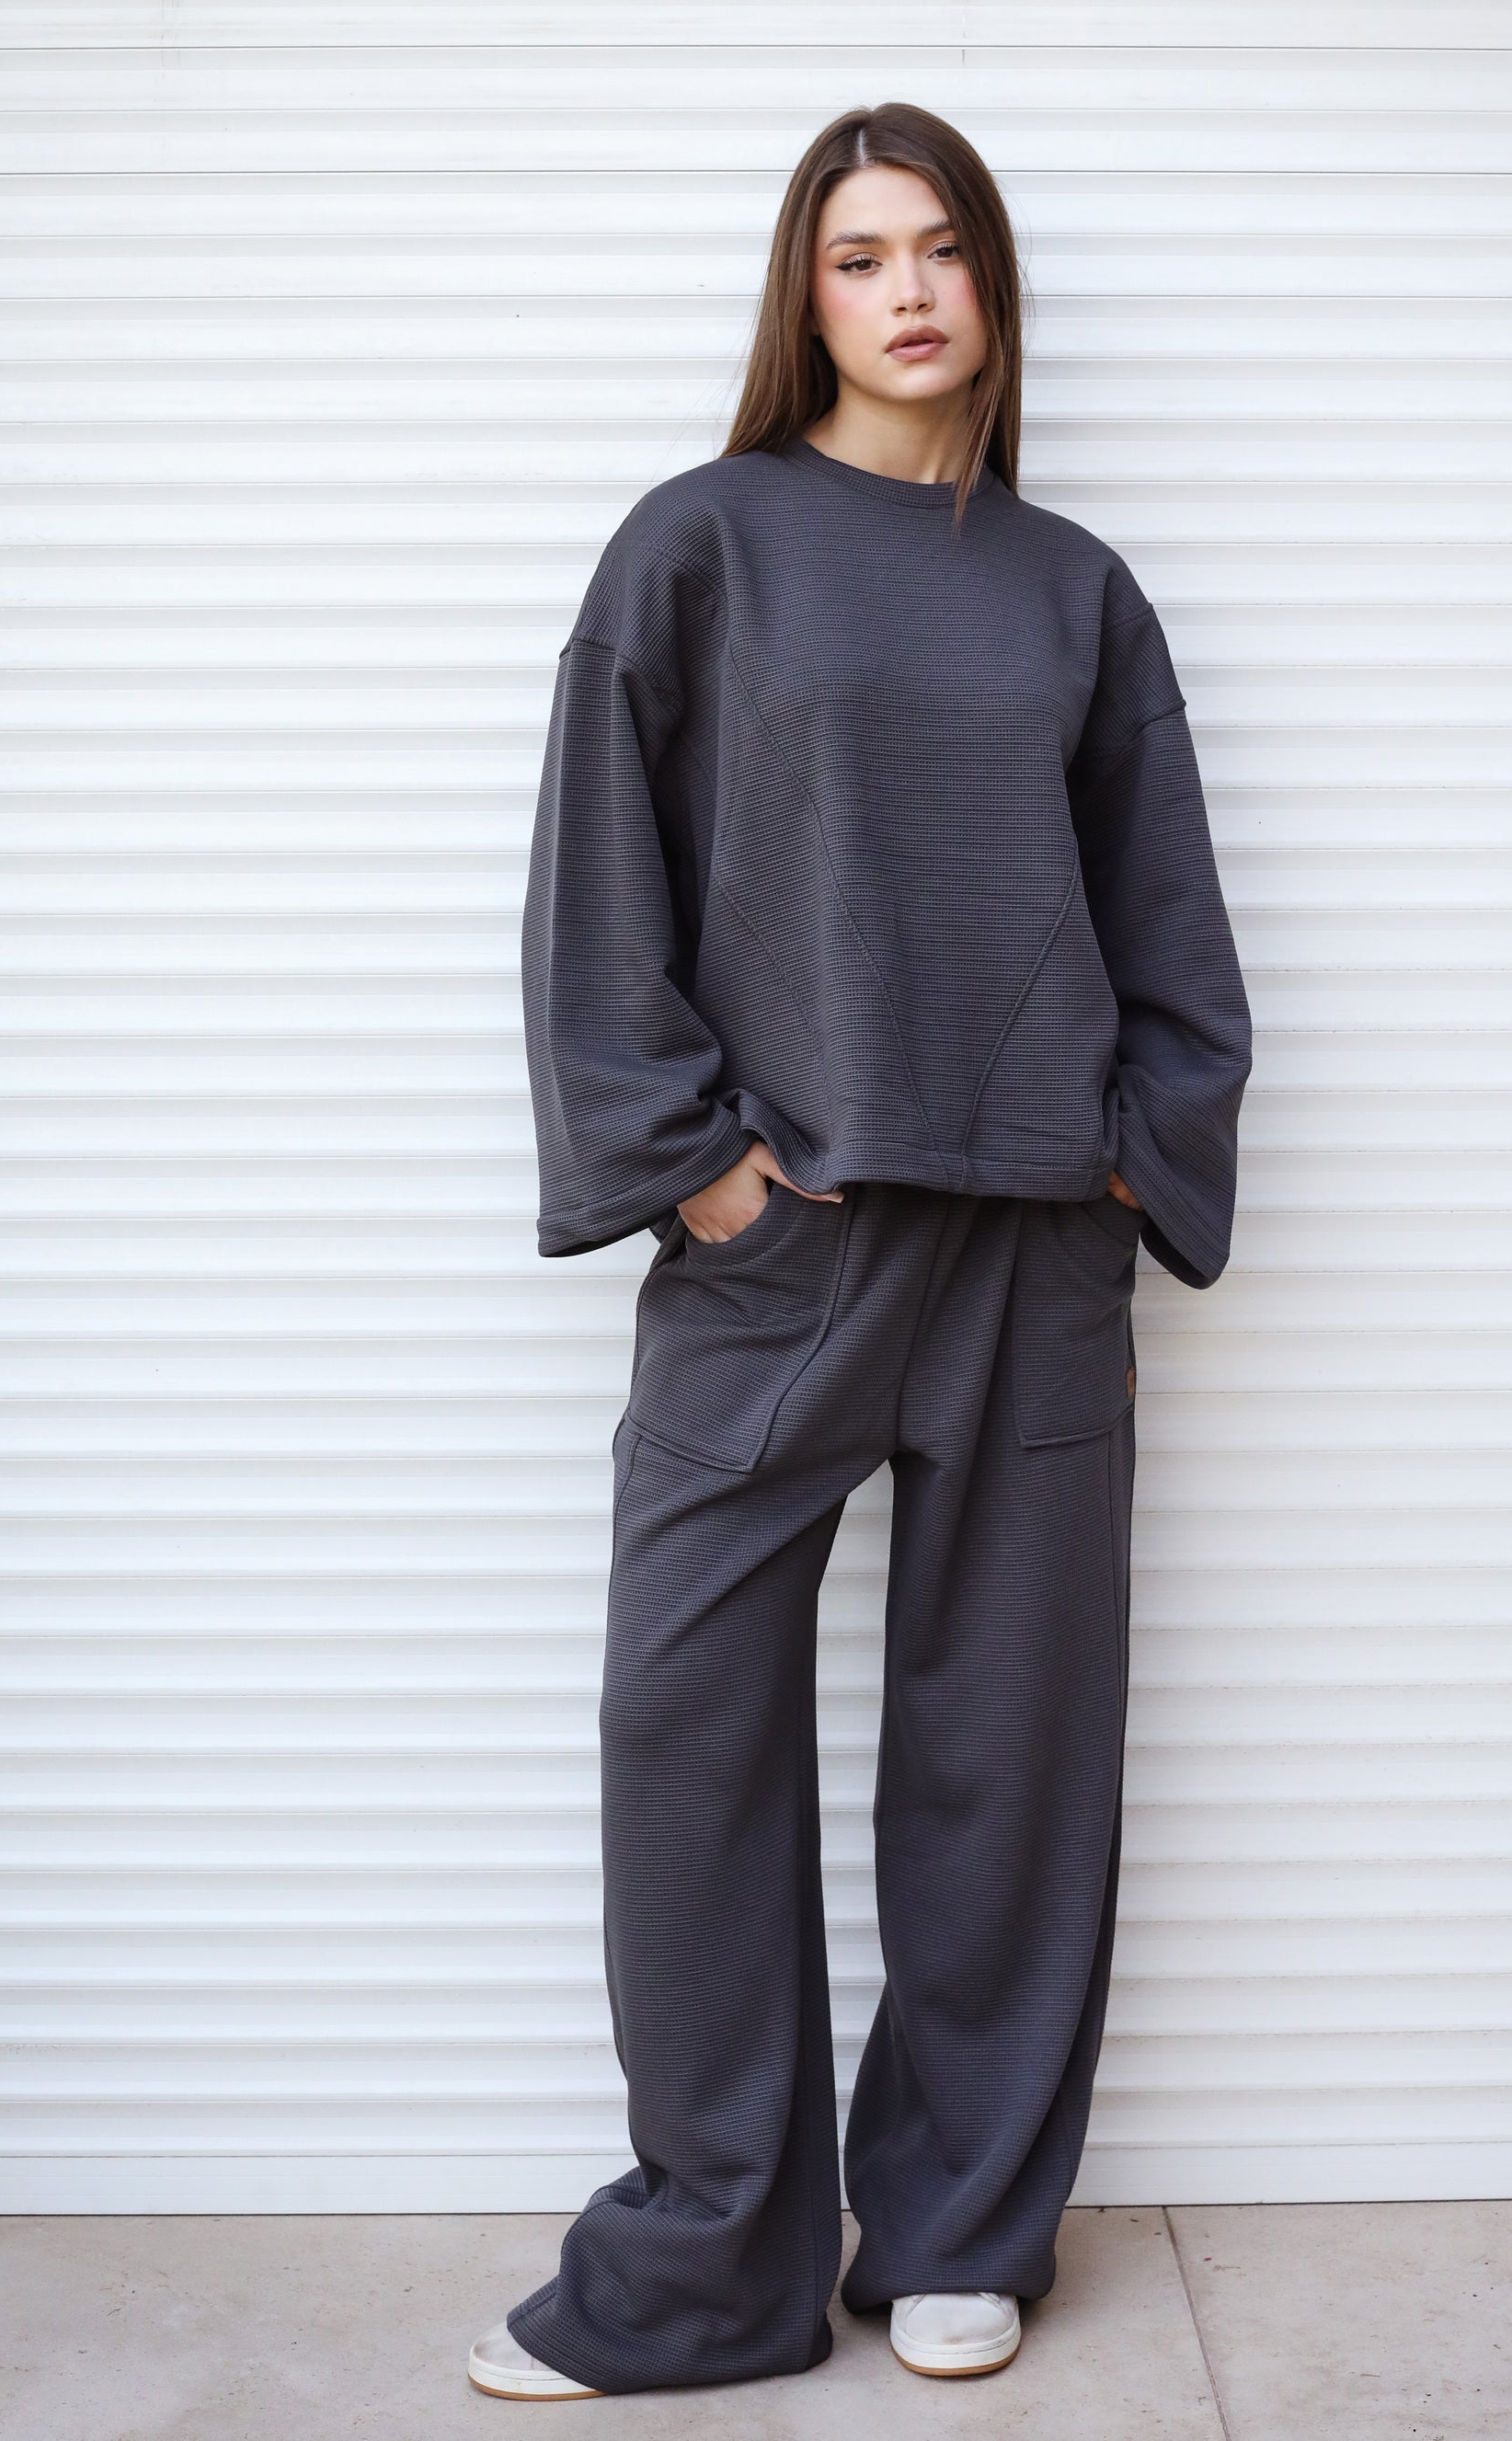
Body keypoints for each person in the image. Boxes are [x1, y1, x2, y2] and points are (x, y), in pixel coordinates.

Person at [468, 99, 1251, 2403]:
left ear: (992, 282)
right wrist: (692, 1165)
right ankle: (707, 2259)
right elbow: (596, 878)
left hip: (1034, 1248)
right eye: (857, 256)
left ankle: (957, 2227)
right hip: (774, 1246)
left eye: (941, 250)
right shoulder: (702, 543)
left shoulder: (1074, 589)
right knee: (682, 1729)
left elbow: (1171, 920)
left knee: (1011, 1756)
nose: (908, 292)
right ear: (801, 299)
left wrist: (1136, 1158)